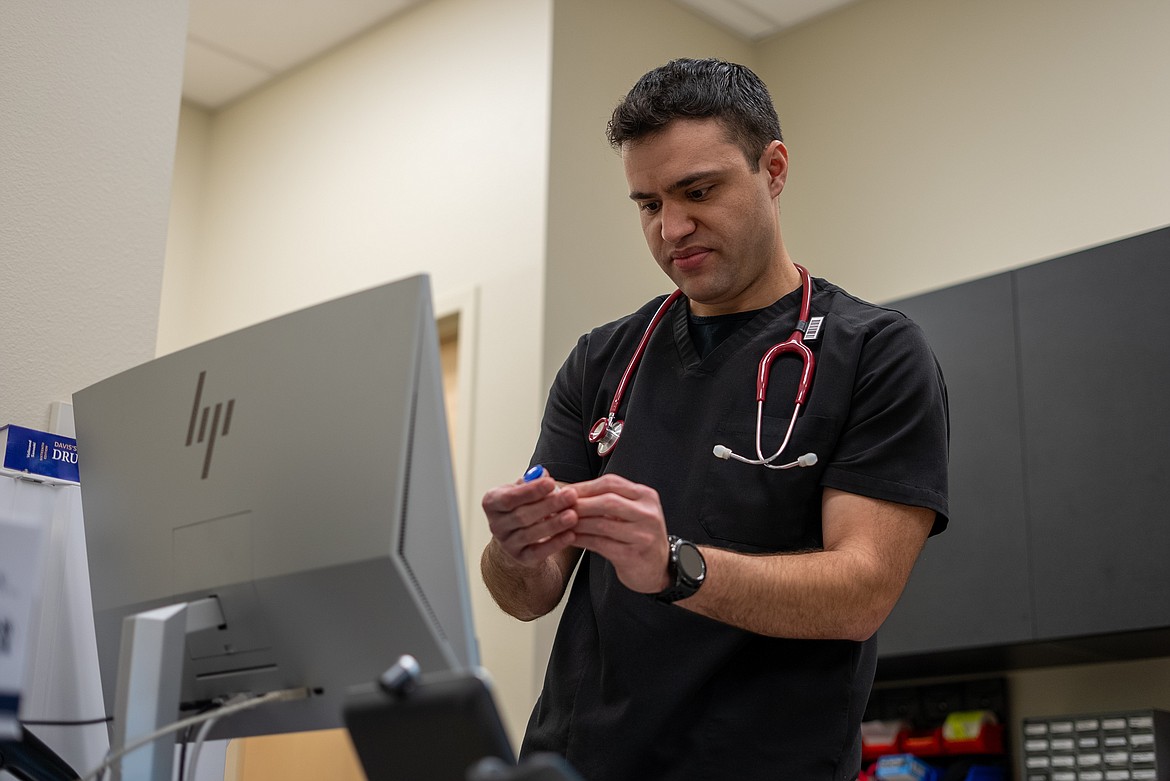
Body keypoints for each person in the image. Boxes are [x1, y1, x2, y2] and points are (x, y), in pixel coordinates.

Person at [480, 58, 948, 781]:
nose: (672, 227)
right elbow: (531, 593)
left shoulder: (875, 354)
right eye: (647, 204)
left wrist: (674, 564)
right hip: (573, 765)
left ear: (775, 169)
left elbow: (861, 589)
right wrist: (513, 551)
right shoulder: (604, 361)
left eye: (699, 191)